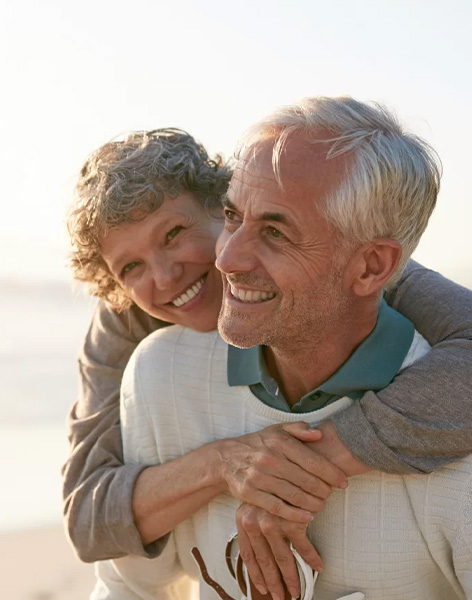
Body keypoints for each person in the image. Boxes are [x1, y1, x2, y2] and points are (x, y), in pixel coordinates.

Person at [63, 127, 472, 598]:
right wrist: (226, 462)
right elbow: (90, 520)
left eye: (174, 234)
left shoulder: (351, 269)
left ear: (227, 207)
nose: (163, 275)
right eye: (130, 267)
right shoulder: (136, 334)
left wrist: (299, 470)